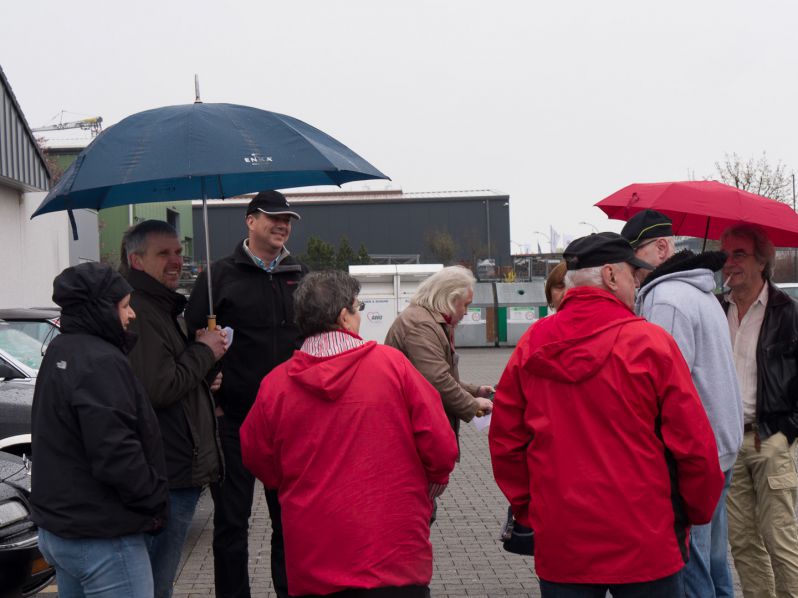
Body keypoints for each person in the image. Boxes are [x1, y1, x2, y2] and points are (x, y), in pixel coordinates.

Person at [489, 232, 724, 597]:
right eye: (634, 274)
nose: (637, 284)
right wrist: (695, 512)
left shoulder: (532, 344)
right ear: (612, 276)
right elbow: (695, 445)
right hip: (646, 539)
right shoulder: (651, 344)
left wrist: (529, 508)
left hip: (564, 539)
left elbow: (506, 440)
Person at [240, 271, 458, 597]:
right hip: (394, 556)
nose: (360, 314)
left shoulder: (275, 385)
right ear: (344, 316)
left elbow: (258, 457)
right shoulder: (392, 367)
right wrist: (433, 481)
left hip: (313, 560)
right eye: (359, 307)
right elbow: (441, 445)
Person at [185, 190, 307, 598]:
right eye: (273, 217)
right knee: (231, 524)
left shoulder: (299, 275)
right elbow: (191, 338)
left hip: (289, 424)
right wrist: (210, 375)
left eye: (287, 219)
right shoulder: (218, 276)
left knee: (290, 523)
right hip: (233, 422)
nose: (283, 225)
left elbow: (314, 338)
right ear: (250, 221)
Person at [622, 209, 743, 598]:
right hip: (720, 446)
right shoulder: (700, 291)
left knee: (692, 568)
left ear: (660, 248)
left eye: (633, 257)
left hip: (693, 455)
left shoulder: (666, 298)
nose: (630, 269)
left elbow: (660, 386)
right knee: (715, 563)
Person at [30, 262, 169, 598]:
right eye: (124, 306)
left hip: (64, 531)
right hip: (103, 538)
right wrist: (154, 499)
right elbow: (115, 453)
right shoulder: (100, 361)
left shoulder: (62, 350)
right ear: (100, 310)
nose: (131, 315)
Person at [121, 220, 227, 598]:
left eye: (178, 251)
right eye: (163, 253)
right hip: (166, 470)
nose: (176, 261)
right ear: (136, 260)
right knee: (153, 584)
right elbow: (158, 387)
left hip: (175, 467)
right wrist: (203, 352)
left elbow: (172, 375)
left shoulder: (163, 306)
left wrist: (201, 371)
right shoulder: (141, 311)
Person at [720, 223, 798, 598]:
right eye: (725, 254)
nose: (729, 263)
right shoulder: (716, 309)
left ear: (762, 261)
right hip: (729, 441)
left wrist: (787, 432)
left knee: (781, 541)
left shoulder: (788, 312)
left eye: (739, 254)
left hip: (771, 440)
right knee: (744, 544)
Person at [384, 265, 495, 449]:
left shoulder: (427, 320)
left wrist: (475, 391)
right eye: (465, 304)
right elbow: (436, 379)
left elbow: (437, 374)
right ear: (449, 298)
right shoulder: (421, 325)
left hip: (416, 428)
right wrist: (472, 404)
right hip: (414, 435)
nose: (466, 312)